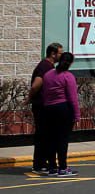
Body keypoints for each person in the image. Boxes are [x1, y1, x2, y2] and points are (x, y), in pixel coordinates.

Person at [41, 52, 79, 177]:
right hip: (63, 109)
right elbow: (73, 98)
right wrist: (77, 115)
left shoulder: (48, 75)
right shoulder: (68, 76)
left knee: (50, 139)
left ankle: (52, 167)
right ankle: (63, 168)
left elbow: (45, 92)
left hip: (48, 108)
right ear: (70, 63)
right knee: (62, 139)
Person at [27, 43, 62, 174]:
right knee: (44, 135)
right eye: (60, 53)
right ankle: (39, 165)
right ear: (53, 54)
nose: (61, 55)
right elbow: (36, 85)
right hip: (42, 106)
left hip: (43, 105)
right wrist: (30, 98)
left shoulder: (48, 66)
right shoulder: (46, 66)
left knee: (44, 135)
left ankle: (42, 164)